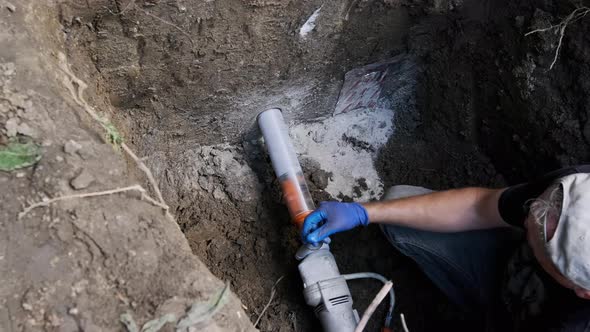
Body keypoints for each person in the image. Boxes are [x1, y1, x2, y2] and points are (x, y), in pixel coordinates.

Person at [301, 165, 590, 331]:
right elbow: (480, 207)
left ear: (582, 290)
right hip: (498, 271)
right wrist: (363, 213)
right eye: (533, 211)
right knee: (399, 209)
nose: (527, 219)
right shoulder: (574, 194)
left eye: (541, 236)